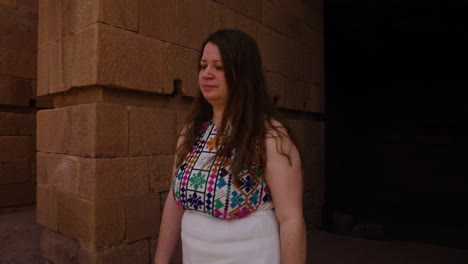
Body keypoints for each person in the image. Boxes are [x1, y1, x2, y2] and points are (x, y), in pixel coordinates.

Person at [154, 29, 306, 264]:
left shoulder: (270, 136)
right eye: (203, 66)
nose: (206, 74)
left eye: (219, 67)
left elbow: (291, 220)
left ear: (244, 74)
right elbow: (175, 202)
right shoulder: (192, 132)